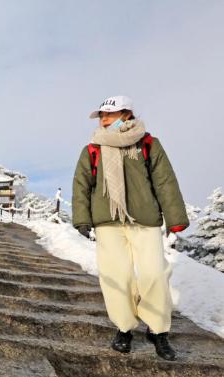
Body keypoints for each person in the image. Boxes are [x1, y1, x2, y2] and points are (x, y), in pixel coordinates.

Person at [71, 95, 189, 361]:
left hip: (144, 220)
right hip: (108, 221)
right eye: (101, 115)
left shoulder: (148, 144)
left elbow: (165, 182)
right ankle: (124, 327)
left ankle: (158, 331)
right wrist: (82, 218)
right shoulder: (93, 148)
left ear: (126, 114)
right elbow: (81, 185)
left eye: (108, 115)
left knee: (154, 274)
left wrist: (175, 218)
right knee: (116, 277)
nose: (103, 119)